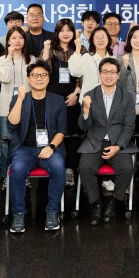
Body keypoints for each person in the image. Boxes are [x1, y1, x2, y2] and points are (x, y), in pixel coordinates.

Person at [7, 60, 67, 232]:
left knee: (58, 167)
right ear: (28, 78)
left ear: (48, 78)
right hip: (25, 148)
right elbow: (11, 124)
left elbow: (62, 131)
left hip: (49, 147)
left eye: (43, 75)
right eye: (35, 75)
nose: (39, 78)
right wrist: (20, 99)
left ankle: (52, 211)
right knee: (17, 169)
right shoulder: (19, 98)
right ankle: (18, 213)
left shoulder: (57, 100)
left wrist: (51, 147)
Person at [78, 58, 136, 224]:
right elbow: (83, 126)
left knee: (127, 169)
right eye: (105, 72)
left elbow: (129, 127)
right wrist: (86, 110)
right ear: (99, 74)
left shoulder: (127, 97)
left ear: (118, 75)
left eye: (112, 72)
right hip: (95, 142)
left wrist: (118, 146)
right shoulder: (89, 95)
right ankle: (96, 203)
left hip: (118, 143)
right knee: (85, 168)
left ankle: (114, 201)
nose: (108, 75)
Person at [43, 19, 83, 186]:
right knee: (55, 134)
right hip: (53, 100)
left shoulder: (80, 49)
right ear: (57, 32)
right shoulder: (50, 49)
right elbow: (43, 70)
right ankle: (53, 168)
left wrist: (76, 93)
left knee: (72, 137)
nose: (66, 33)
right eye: (62, 30)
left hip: (73, 99)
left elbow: (83, 74)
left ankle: (70, 170)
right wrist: (46, 50)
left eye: (69, 30)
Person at [0, 26, 31, 187]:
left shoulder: (32, 60)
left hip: (27, 106)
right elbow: (6, 77)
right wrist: (9, 57)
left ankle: (24, 174)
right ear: (8, 40)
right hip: (6, 106)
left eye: (20, 37)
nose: (17, 41)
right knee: (5, 142)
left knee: (25, 142)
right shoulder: (0, 60)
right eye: (14, 38)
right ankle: (5, 176)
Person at [119, 25, 139, 194]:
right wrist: (125, 67)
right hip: (126, 111)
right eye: (134, 37)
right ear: (129, 40)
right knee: (125, 146)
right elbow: (118, 86)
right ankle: (126, 179)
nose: (138, 40)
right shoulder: (122, 59)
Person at [68, 26, 112, 97]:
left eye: (103, 37)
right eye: (97, 38)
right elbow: (74, 72)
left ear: (108, 40)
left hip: (108, 99)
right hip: (88, 100)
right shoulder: (87, 57)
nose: (100, 40)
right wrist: (78, 48)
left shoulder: (113, 59)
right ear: (93, 41)